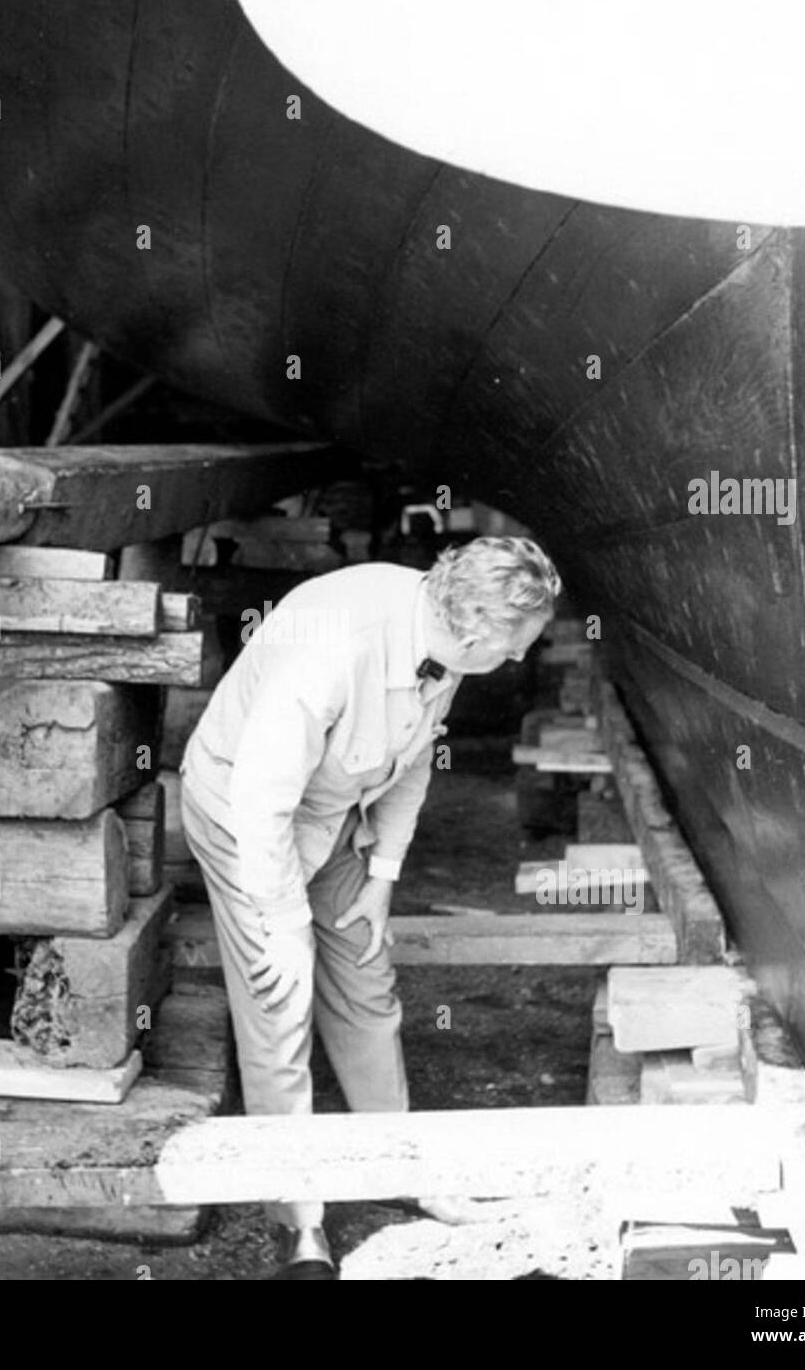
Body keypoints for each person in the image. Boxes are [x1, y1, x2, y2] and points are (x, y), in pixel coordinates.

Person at [180, 535, 562, 1278]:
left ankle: (401, 1169)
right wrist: (283, 927)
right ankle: (300, 1225)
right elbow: (261, 802)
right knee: (277, 1003)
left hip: (334, 811)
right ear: (477, 626)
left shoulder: (446, 635)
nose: (517, 660)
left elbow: (412, 757)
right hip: (246, 813)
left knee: (364, 978)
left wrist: (382, 874)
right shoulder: (337, 647)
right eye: (515, 645)